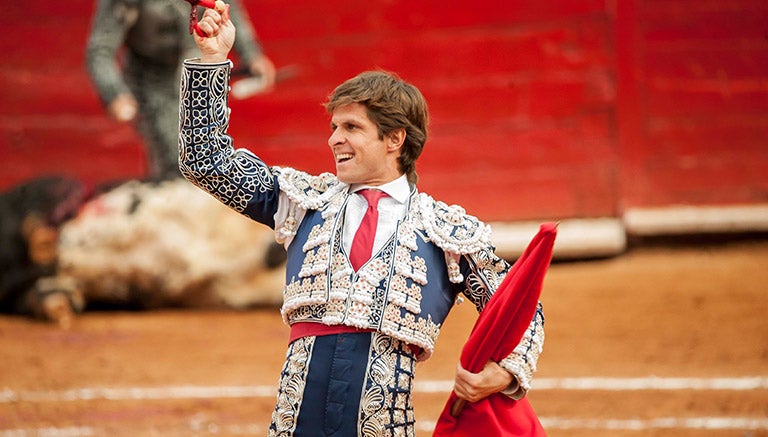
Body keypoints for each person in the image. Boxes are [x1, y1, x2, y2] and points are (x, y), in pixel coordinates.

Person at [179, 3, 544, 435]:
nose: (334, 139)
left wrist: (506, 372)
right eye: (334, 127)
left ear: (394, 139)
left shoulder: (444, 231)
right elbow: (203, 160)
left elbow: (519, 307)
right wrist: (212, 59)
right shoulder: (302, 201)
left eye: (351, 127)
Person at [85, 0, 276, 180]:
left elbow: (226, 9)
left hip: (197, 70)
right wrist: (115, 93)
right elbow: (100, 49)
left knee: (208, 152)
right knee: (177, 157)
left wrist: (252, 55)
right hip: (150, 80)